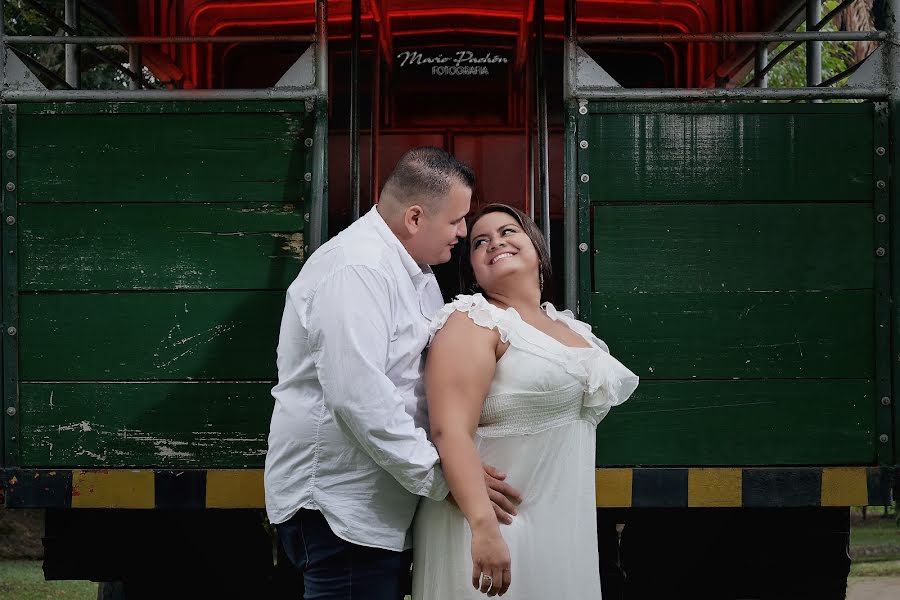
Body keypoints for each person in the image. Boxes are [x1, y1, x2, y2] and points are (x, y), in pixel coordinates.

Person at [264, 148, 522, 600]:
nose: (463, 232)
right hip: (342, 509)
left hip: (374, 510)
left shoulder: (414, 272)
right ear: (415, 218)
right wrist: (444, 480)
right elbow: (359, 398)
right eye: (457, 220)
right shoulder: (357, 270)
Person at [412, 203, 639, 598]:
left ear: (537, 247)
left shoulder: (570, 328)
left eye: (507, 232)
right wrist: (483, 527)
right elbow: (449, 429)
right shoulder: (472, 321)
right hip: (492, 529)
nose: (494, 242)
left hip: (562, 529)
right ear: (475, 272)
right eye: (480, 242)